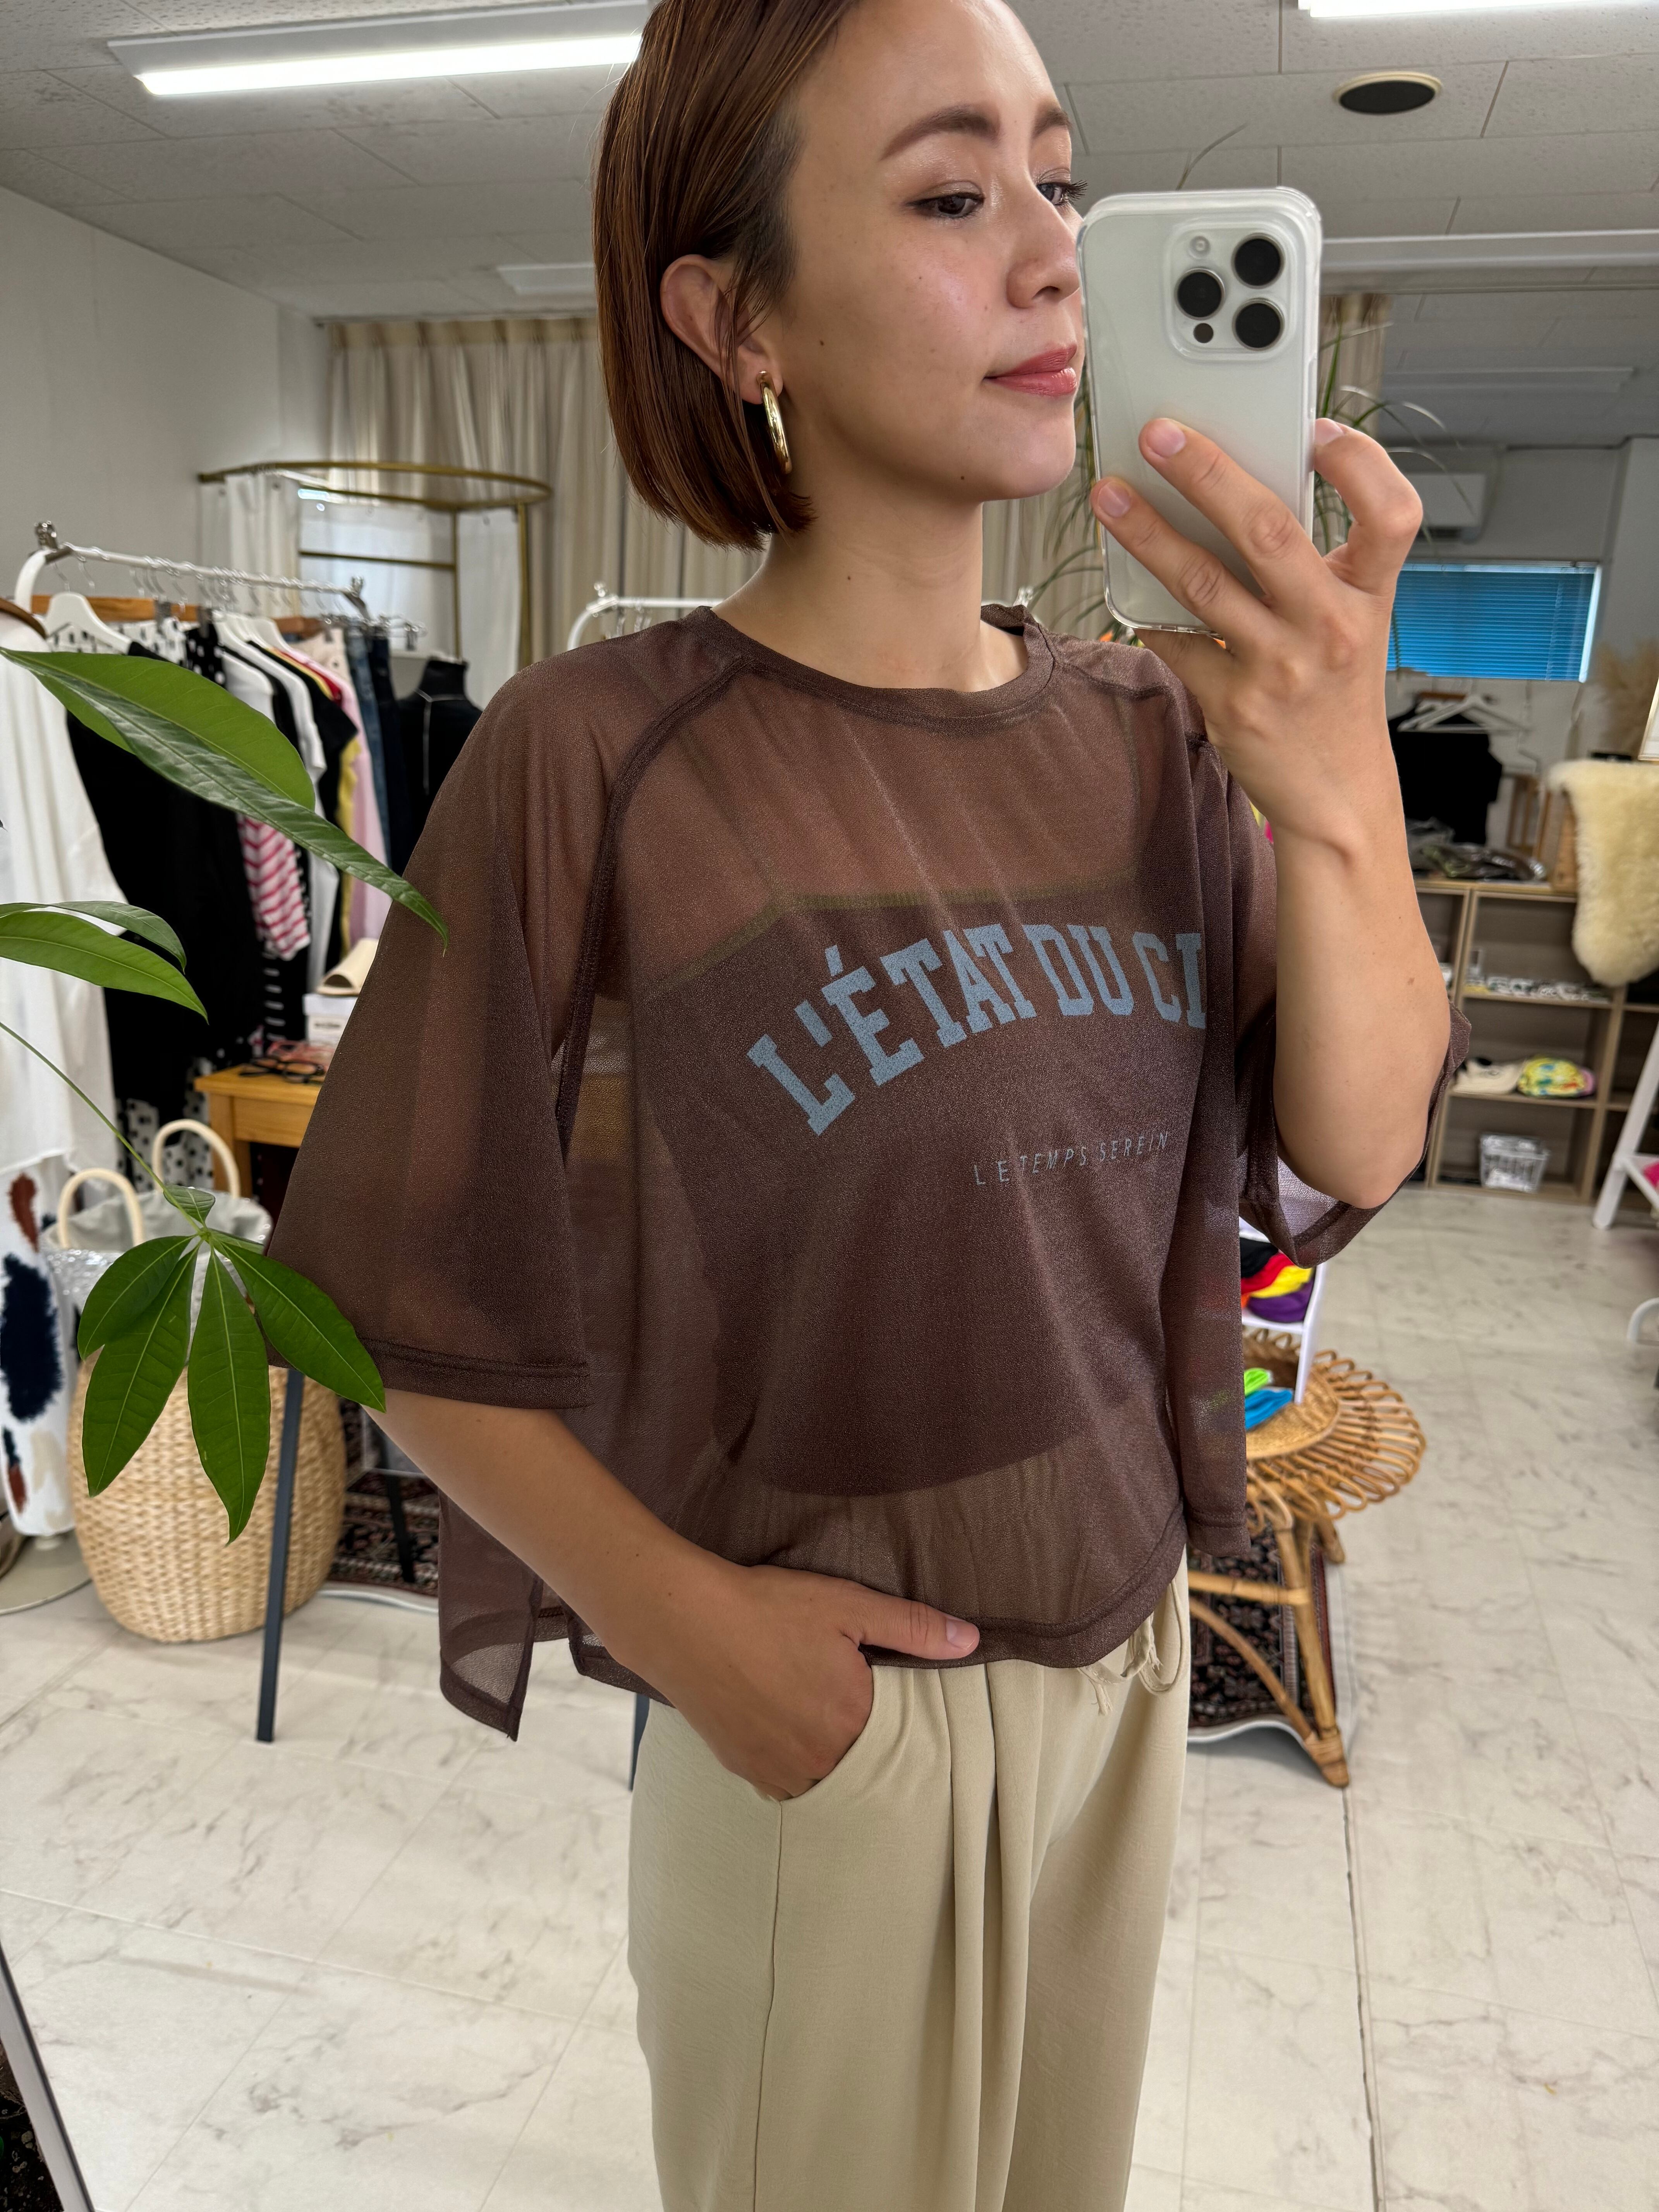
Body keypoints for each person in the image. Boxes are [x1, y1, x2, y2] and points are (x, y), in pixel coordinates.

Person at [270, 0, 1464, 2202]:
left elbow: (1359, 1142)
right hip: (829, 1722)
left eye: (1060, 180)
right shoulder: (601, 752)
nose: (1051, 253)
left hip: (1126, 1672)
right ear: (739, 322)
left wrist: (1338, 787)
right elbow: (384, 1294)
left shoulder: (1151, 736)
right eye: (949, 192)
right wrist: (687, 1631)